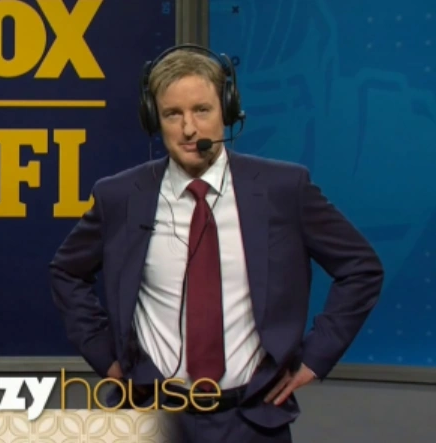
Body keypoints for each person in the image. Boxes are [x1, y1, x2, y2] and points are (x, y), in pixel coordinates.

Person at [49, 44, 384, 443]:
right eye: (173, 114)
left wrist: (316, 357)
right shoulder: (120, 196)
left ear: (227, 110)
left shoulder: (283, 189)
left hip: (253, 420)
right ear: (154, 119)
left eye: (202, 110)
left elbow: (361, 268)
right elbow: (66, 271)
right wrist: (107, 358)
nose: (189, 129)